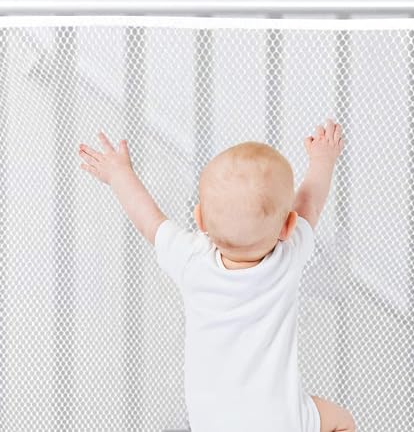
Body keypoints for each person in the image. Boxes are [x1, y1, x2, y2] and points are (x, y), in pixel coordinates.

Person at [78, 118, 355, 432]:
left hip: (210, 421)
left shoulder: (191, 260)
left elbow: (149, 221)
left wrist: (119, 174)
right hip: (280, 420)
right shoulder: (287, 257)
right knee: (342, 422)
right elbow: (310, 204)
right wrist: (322, 160)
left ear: (199, 219)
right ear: (288, 226)